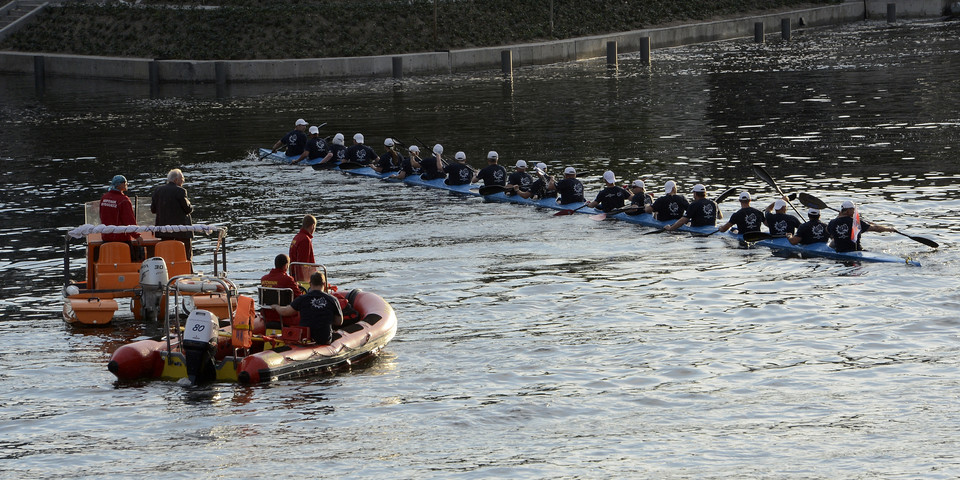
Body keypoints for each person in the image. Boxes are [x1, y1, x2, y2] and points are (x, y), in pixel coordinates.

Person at [271, 272, 343, 345]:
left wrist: (276, 307)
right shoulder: (332, 299)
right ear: (324, 284)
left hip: (305, 339)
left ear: (310, 284)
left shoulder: (302, 299)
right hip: (324, 339)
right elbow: (339, 322)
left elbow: (285, 312)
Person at [151, 168, 194, 260]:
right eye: (182, 179)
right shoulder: (181, 191)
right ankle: (187, 270)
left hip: (164, 231)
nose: (183, 181)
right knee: (185, 256)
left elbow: (153, 210)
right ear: (176, 180)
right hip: (181, 231)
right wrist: (190, 204)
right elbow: (188, 209)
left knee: (166, 254)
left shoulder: (158, 191)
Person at [826, 200, 898, 252]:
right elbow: (875, 228)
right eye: (853, 210)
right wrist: (889, 229)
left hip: (840, 251)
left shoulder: (832, 222)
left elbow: (828, 231)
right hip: (856, 251)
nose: (855, 212)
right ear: (848, 210)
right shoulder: (856, 222)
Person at [260, 254, 303, 325]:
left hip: (267, 316)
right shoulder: (288, 279)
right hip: (284, 317)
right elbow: (299, 297)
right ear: (286, 266)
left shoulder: (264, 279)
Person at [99, 174, 141, 243]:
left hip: (106, 237)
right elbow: (129, 220)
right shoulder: (123, 200)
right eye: (125, 182)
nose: (126, 184)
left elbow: (102, 216)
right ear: (120, 185)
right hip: (121, 238)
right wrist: (137, 235)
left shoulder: (104, 198)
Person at [288, 214, 316, 282]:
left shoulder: (297, 237)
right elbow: (303, 264)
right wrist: (304, 282)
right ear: (312, 226)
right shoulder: (305, 239)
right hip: (300, 278)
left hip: (294, 274)